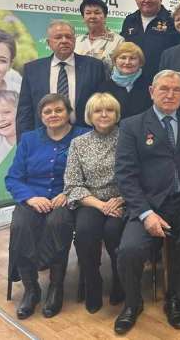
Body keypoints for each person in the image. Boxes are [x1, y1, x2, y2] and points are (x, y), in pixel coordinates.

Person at [113, 70, 180, 334]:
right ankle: (133, 303)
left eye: (176, 90)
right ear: (152, 91)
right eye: (164, 88)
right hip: (149, 203)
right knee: (129, 250)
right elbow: (125, 175)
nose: (170, 94)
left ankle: (175, 298)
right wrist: (145, 213)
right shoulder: (132, 126)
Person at [6, 93, 88, 320]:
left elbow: (91, 174)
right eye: (47, 111)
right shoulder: (29, 139)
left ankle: (56, 287)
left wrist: (68, 193)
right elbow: (13, 178)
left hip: (65, 198)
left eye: (58, 110)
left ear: (68, 112)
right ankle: (31, 289)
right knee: (20, 225)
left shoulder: (82, 136)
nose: (53, 115)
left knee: (58, 223)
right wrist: (31, 198)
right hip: (33, 198)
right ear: (41, 116)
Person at [63, 92, 125, 313]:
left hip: (121, 200)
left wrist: (121, 199)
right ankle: (92, 282)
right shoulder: (78, 143)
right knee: (85, 232)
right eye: (98, 110)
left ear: (117, 114)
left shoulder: (128, 138)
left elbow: (140, 176)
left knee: (114, 231)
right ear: (90, 115)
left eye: (109, 110)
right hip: (90, 201)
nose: (104, 114)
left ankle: (120, 279)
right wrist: (100, 205)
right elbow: (72, 184)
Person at [17, 20, 106, 133]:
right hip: (43, 136)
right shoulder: (33, 69)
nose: (64, 41)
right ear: (48, 43)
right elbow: (25, 111)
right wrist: (24, 141)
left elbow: (101, 104)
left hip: (85, 135)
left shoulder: (94, 66)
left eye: (68, 37)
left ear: (74, 40)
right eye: (58, 37)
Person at [120, 0, 180, 85]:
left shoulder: (172, 20)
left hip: (163, 84)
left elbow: (179, 55)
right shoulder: (129, 21)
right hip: (132, 83)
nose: (147, 0)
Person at [98, 42, 152, 119]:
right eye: (123, 58)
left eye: (132, 58)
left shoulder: (150, 86)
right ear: (115, 61)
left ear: (140, 62)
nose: (127, 62)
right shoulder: (103, 88)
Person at [75, 0, 125, 71]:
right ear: (83, 17)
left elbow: (122, 70)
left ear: (105, 16)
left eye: (97, 13)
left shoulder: (118, 41)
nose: (92, 16)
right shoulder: (77, 41)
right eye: (88, 13)